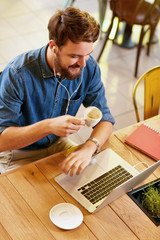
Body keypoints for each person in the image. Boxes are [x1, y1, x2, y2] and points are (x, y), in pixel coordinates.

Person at [0, 6, 115, 175]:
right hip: (18, 153)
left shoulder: (88, 67)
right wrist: (49, 126)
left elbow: (106, 120)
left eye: (88, 54)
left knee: (91, 183)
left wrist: (89, 147)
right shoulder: (17, 74)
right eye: (75, 56)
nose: (83, 64)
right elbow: (2, 141)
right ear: (54, 46)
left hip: (57, 145)